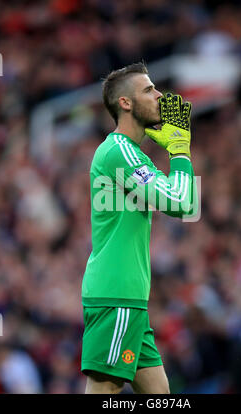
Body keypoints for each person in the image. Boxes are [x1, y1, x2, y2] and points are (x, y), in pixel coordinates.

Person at [81, 62, 196, 394]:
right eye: (148, 90)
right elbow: (181, 202)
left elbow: (185, 201)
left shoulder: (130, 154)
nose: (159, 95)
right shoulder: (119, 152)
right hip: (116, 296)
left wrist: (178, 151)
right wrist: (178, 150)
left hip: (130, 299)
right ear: (125, 103)